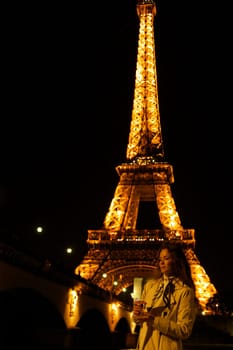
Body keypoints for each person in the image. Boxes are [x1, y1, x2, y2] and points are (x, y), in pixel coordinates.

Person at [133, 242, 198, 350]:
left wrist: (153, 320)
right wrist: (137, 315)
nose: (162, 263)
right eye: (160, 259)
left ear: (176, 261)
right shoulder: (149, 287)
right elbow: (139, 322)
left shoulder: (184, 291)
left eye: (166, 258)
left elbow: (184, 330)